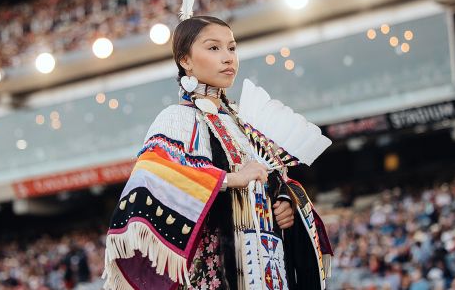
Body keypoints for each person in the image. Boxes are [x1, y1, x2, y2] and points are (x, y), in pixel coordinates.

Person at [102, 16, 333, 290]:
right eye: (214, 48)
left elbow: (275, 178)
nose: (227, 58)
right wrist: (231, 179)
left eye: (232, 48)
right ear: (185, 60)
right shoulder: (177, 119)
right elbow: (154, 178)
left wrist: (283, 201)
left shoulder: (242, 121)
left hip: (267, 268)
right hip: (216, 271)